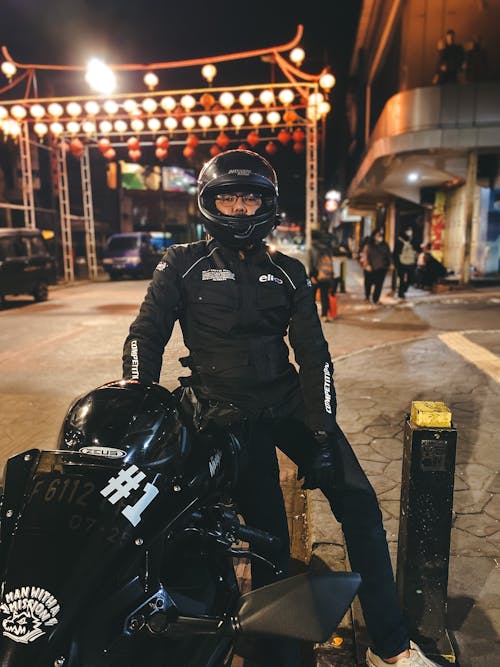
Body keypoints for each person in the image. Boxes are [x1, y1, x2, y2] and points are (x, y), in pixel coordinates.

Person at [122, 149, 441, 667]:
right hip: (223, 411)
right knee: (269, 529)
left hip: (287, 400)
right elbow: (145, 337)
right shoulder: (181, 264)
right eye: (229, 196)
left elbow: (315, 356)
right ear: (208, 203)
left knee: (359, 504)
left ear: (268, 205)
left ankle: (391, 646)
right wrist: (136, 401)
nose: (241, 209)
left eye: (252, 198)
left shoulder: (290, 271)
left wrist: (320, 431)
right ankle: (276, 647)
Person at [308, 230, 338, 322]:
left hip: (316, 275)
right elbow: (330, 262)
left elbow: (311, 263)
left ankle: (310, 314)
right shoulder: (327, 248)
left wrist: (311, 276)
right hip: (325, 275)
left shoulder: (312, 248)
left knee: (311, 296)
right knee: (324, 296)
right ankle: (324, 315)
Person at [361, 229, 394, 305]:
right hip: (370, 268)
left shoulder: (385, 245)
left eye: (380, 235)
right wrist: (367, 265)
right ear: (374, 236)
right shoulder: (369, 246)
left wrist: (391, 263)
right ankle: (367, 296)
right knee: (368, 283)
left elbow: (389, 255)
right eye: (378, 235)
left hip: (382, 267)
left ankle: (376, 299)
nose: (379, 237)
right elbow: (365, 256)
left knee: (379, 284)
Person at [394, 227, 418, 300]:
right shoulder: (399, 241)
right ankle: (401, 293)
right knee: (401, 278)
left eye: (410, 230)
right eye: (408, 230)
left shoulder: (413, 240)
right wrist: (396, 264)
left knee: (411, 278)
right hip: (401, 263)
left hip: (411, 262)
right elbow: (396, 253)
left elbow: (416, 250)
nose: (409, 232)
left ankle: (404, 289)